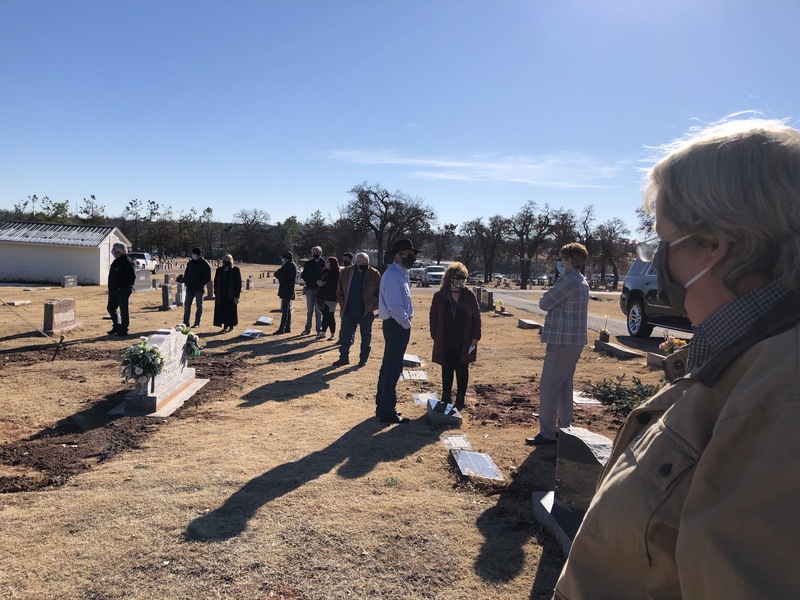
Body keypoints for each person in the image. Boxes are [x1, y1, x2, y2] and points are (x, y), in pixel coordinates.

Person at [554, 119, 800, 599]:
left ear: (714, 243)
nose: (657, 264)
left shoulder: (778, 397)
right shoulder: (744, 362)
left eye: (664, 243)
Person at [526, 243, 589, 446]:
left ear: (570, 261)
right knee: (564, 386)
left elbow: (544, 303)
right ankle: (565, 428)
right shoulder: (582, 280)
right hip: (574, 341)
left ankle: (547, 433)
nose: (560, 263)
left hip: (562, 341)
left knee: (549, 386)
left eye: (562, 259)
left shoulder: (568, 281)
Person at [375, 238, 418, 424]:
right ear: (398, 257)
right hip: (396, 324)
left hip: (398, 324)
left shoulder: (402, 273)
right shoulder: (393, 275)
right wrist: (406, 324)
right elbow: (395, 307)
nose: (412, 258)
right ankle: (387, 412)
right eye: (408, 255)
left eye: (413, 254)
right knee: (392, 369)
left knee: (389, 367)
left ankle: (382, 407)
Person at [429, 262, 481, 410]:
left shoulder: (469, 296)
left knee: (462, 369)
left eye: (463, 278)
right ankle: (446, 396)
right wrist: (435, 334)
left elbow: (477, 317)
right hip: (445, 340)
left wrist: (476, 336)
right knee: (447, 368)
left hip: (464, 340)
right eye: (458, 277)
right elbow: (433, 317)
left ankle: (460, 399)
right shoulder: (439, 296)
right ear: (450, 278)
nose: (461, 281)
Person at [333, 252, 381, 367]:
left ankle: (363, 359)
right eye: (362, 263)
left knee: (366, 337)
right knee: (345, 336)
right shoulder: (346, 272)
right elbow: (339, 290)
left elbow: (381, 293)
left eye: (366, 263)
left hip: (365, 312)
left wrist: (372, 307)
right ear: (356, 262)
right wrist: (342, 303)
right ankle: (343, 358)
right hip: (349, 311)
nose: (364, 265)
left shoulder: (374, 274)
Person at [107, 242, 136, 337]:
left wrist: (124, 288)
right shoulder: (116, 261)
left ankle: (123, 329)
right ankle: (116, 326)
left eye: (114, 249)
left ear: (119, 251)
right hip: (113, 290)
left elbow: (131, 277)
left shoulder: (127, 261)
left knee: (123, 310)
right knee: (111, 308)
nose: (113, 251)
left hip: (122, 290)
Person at [181, 246, 211, 328]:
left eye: (194, 254)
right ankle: (185, 322)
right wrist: (184, 280)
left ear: (198, 254)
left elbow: (208, 278)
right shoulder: (190, 263)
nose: (192, 255)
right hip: (190, 288)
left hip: (199, 289)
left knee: (199, 306)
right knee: (187, 305)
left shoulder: (205, 264)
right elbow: (186, 274)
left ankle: (197, 323)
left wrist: (201, 284)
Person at [213, 254, 242, 332]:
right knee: (223, 310)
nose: (226, 262)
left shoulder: (235, 270)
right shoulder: (219, 270)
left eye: (228, 261)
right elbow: (216, 282)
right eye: (225, 261)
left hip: (231, 294)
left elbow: (238, 283)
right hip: (222, 293)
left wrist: (237, 296)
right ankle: (225, 327)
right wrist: (216, 292)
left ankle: (231, 327)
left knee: (231, 311)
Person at [300, 246, 325, 335]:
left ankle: (319, 328)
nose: (315, 254)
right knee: (310, 310)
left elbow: (326, 276)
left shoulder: (324, 264)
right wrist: (315, 281)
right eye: (314, 252)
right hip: (310, 289)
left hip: (320, 291)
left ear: (320, 253)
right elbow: (305, 276)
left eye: (317, 252)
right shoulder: (308, 264)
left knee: (318, 311)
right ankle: (307, 328)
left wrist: (322, 282)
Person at [316, 256, 339, 340]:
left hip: (331, 298)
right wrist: (318, 282)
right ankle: (323, 333)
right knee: (325, 315)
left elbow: (334, 285)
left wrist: (324, 284)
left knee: (330, 316)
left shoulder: (336, 273)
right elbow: (318, 279)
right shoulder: (324, 271)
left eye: (328, 262)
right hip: (322, 297)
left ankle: (332, 335)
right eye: (326, 262)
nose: (326, 263)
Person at [274, 251, 297, 334]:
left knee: (285, 310)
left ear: (286, 258)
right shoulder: (293, 265)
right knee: (287, 309)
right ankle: (287, 327)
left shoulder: (288, 266)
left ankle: (282, 328)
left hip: (286, 290)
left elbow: (277, 274)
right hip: (289, 290)